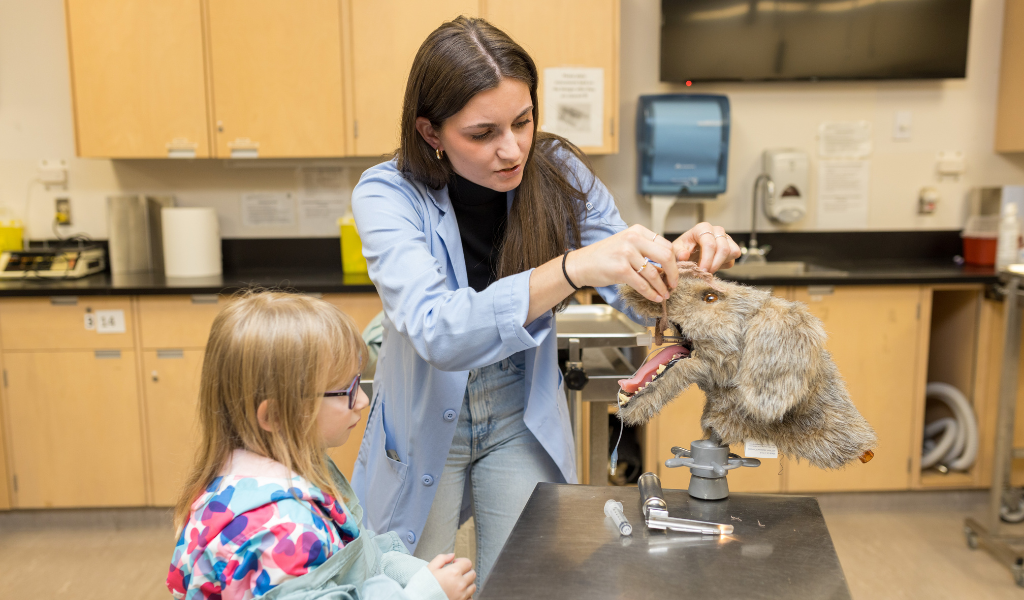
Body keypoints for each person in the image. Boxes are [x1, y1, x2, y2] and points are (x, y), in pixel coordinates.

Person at [350, 16, 741, 587]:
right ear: (431, 132)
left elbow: (636, 294)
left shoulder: (557, 172)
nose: (511, 150)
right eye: (482, 134)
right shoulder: (387, 194)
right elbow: (438, 332)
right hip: (422, 417)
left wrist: (682, 266)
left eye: (523, 121)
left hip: (518, 414)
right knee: (407, 585)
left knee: (524, 580)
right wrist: (571, 266)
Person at [166, 291, 476, 600]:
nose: (364, 401)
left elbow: (352, 558)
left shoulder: (257, 481)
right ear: (274, 414)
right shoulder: (284, 528)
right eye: (348, 390)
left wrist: (405, 571)